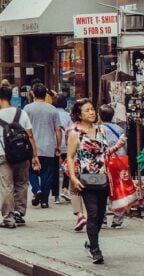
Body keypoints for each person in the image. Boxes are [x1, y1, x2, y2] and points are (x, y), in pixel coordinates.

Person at [0, 85, 41, 229]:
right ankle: (19, 213)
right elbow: (30, 135)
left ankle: (8, 219)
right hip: (22, 154)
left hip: (2, 155)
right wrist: (34, 155)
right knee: (22, 183)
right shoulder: (21, 114)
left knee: (6, 186)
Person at [66, 99, 111, 265]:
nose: (92, 113)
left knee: (100, 215)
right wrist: (73, 177)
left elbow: (105, 153)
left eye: (92, 110)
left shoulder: (101, 130)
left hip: (103, 178)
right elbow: (70, 157)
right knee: (92, 213)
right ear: (79, 114)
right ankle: (95, 250)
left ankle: (90, 242)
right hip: (85, 179)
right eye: (87, 111)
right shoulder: (75, 133)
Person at [24, 83, 62, 208]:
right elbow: (58, 130)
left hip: (32, 146)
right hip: (48, 146)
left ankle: (36, 189)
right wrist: (58, 145)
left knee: (31, 171)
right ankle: (45, 200)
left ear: (33, 94)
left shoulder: (27, 109)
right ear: (45, 94)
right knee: (47, 173)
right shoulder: (52, 109)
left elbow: (24, 129)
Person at [99, 103, 130, 229]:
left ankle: (103, 218)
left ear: (100, 116)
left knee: (103, 190)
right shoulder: (120, 129)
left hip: (105, 162)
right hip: (119, 162)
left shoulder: (99, 129)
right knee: (118, 189)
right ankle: (118, 219)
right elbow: (125, 147)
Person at [53, 94, 72, 204]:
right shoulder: (67, 115)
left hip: (54, 144)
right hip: (66, 144)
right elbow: (70, 131)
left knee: (55, 169)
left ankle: (56, 195)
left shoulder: (52, 113)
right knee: (67, 168)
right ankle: (65, 188)